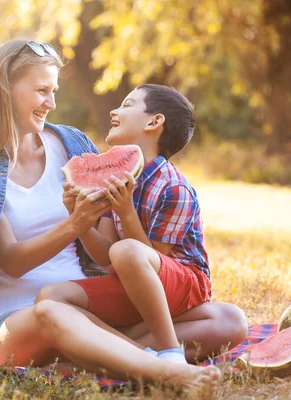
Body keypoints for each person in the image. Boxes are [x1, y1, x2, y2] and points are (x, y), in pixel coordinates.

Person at [0, 39, 227, 395]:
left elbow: (109, 245)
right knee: (51, 312)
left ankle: (100, 352)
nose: (51, 104)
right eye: (41, 90)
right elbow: (12, 261)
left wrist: (104, 220)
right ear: (4, 87)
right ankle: (167, 371)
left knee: (224, 319)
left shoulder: (72, 144)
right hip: (16, 324)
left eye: (53, 91)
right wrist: (74, 222)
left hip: (88, 305)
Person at [35, 84, 219, 364]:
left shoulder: (175, 188)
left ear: (154, 122)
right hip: (129, 275)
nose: (114, 110)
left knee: (127, 252)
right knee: (51, 296)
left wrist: (126, 211)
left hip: (184, 283)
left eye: (127, 104)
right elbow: (105, 256)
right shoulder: (115, 177)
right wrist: (80, 219)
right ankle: (133, 353)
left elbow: (151, 259)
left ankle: (170, 354)